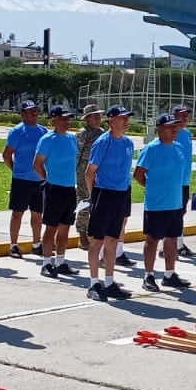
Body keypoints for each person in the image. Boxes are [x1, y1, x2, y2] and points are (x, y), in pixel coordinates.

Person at [84, 105, 136, 301]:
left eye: (127, 117)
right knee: (96, 241)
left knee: (113, 240)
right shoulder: (102, 142)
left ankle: (109, 282)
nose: (126, 121)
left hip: (121, 194)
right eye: (122, 118)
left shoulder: (128, 143)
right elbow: (90, 172)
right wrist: (94, 197)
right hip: (103, 194)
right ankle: (93, 283)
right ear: (111, 120)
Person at [134, 112, 191, 291]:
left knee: (172, 239)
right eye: (170, 127)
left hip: (175, 202)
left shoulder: (178, 147)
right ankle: (149, 276)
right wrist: (154, 187)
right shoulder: (151, 149)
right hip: (156, 204)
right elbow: (138, 175)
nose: (174, 129)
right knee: (152, 240)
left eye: (175, 126)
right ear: (159, 129)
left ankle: (169, 274)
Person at [33, 105, 80, 278]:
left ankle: (60, 262)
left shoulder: (71, 138)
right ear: (54, 119)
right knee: (51, 227)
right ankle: (46, 263)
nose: (67, 121)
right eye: (63, 118)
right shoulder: (47, 140)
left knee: (65, 227)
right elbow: (37, 165)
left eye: (68, 118)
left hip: (70, 188)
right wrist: (48, 178)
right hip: (54, 188)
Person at [3, 100, 47, 258]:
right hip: (21, 180)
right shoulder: (17, 131)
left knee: (37, 214)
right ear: (22, 114)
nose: (33, 113)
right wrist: (16, 170)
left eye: (35, 110)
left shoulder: (43, 131)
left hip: (39, 180)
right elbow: (6, 155)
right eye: (29, 111)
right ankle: (13, 245)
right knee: (18, 213)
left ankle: (37, 244)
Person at [74, 104, 104, 253]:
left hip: (100, 174)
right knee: (85, 203)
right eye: (94, 115)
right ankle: (82, 235)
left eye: (99, 115)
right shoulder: (82, 134)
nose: (98, 118)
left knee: (98, 204)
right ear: (87, 118)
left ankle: (94, 233)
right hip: (84, 173)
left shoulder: (103, 133)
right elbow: (76, 155)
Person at [170, 104, 196, 256]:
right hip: (173, 182)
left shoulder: (187, 133)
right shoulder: (170, 132)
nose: (185, 118)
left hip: (184, 181)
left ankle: (178, 244)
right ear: (174, 116)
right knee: (172, 214)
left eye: (186, 115)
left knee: (180, 213)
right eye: (181, 115)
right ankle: (169, 245)